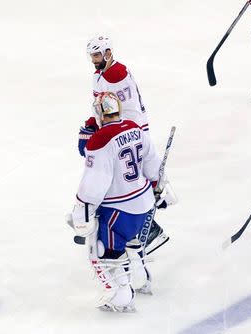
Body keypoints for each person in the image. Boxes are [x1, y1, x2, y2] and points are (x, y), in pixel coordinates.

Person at [70, 92, 176, 312]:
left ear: (99, 112)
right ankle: (140, 279)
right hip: (145, 204)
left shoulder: (100, 139)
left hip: (120, 210)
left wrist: (82, 208)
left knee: (104, 250)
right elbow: (152, 164)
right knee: (132, 243)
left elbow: (95, 182)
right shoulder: (134, 127)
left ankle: (121, 296)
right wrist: (159, 184)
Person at [79, 35, 169, 254]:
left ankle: (148, 231)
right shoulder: (103, 73)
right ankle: (134, 229)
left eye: (97, 55)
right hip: (119, 127)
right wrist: (94, 122)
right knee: (122, 181)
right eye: (92, 55)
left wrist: (111, 130)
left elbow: (125, 110)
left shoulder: (116, 75)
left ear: (108, 53)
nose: (94, 59)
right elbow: (106, 106)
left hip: (130, 131)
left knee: (127, 182)